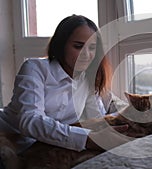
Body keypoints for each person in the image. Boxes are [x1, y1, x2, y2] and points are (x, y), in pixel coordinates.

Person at [0, 14, 129, 155]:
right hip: (7, 137)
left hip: (44, 149)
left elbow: (96, 118)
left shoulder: (88, 79)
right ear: (61, 45)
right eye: (78, 46)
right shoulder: (34, 68)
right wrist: (87, 139)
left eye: (92, 48)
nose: (86, 54)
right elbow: (30, 120)